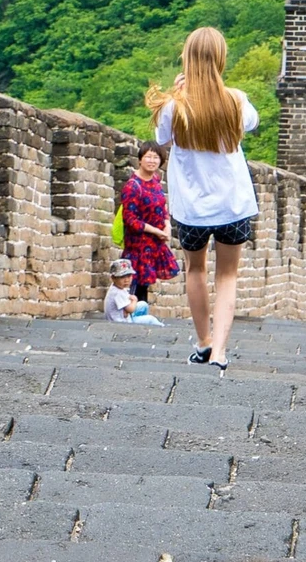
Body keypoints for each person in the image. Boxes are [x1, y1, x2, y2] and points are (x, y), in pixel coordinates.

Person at [146, 27, 259, 372]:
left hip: (192, 207)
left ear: (188, 59)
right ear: (221, 59)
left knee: (195, 270)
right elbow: (252, 125)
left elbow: (160, 138)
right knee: (228, 275)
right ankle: (221, 352)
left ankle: (203, 342)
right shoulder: (236, 100)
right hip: (232, 204)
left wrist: (178, 95)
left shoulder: (173, 107)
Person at [119, 141, 179, 304]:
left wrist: (167, 225)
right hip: (138, 246)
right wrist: (156, 231)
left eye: (156, 157)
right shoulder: (133, 186)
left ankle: (140, 318)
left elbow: (162, 207)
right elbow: (130, 220)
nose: (152, 161)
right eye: (148, 157)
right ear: (140, 160)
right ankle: (129, 320)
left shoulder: (156, 182)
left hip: (153, 245)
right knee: (134, 285)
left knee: (144, 286)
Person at [105, 260, 165, 326]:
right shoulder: (117, 293)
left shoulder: (118, 287)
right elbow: (131, 309)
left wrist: (127, 308)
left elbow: (125, 303)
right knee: (151, 319)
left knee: (143, 305)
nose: (126, 280)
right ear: (113, 278)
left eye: (128, 276)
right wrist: (134, 300)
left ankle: (142, 326)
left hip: (124, 315)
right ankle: (161, 326)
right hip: (122, 322)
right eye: (122, 277)